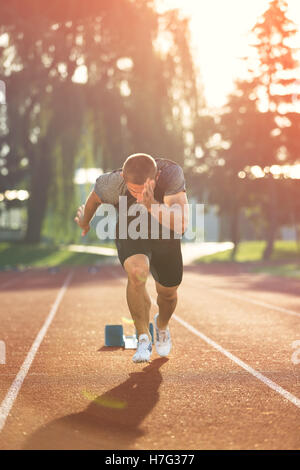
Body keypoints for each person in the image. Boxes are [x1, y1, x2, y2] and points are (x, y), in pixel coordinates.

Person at [74, 153, 188, 363]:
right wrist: (85, 222)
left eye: (142, 190)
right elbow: (93, 200)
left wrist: (152, 204)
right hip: (130, 228)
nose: (137, 196)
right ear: (124, 180)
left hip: (165, 230)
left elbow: (181, 224)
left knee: (168, 293)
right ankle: (143, 337)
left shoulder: (171, 175)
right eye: (133, 190)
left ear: (155, 178)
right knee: (137, 273)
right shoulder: (111, 183)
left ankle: (161, 326)